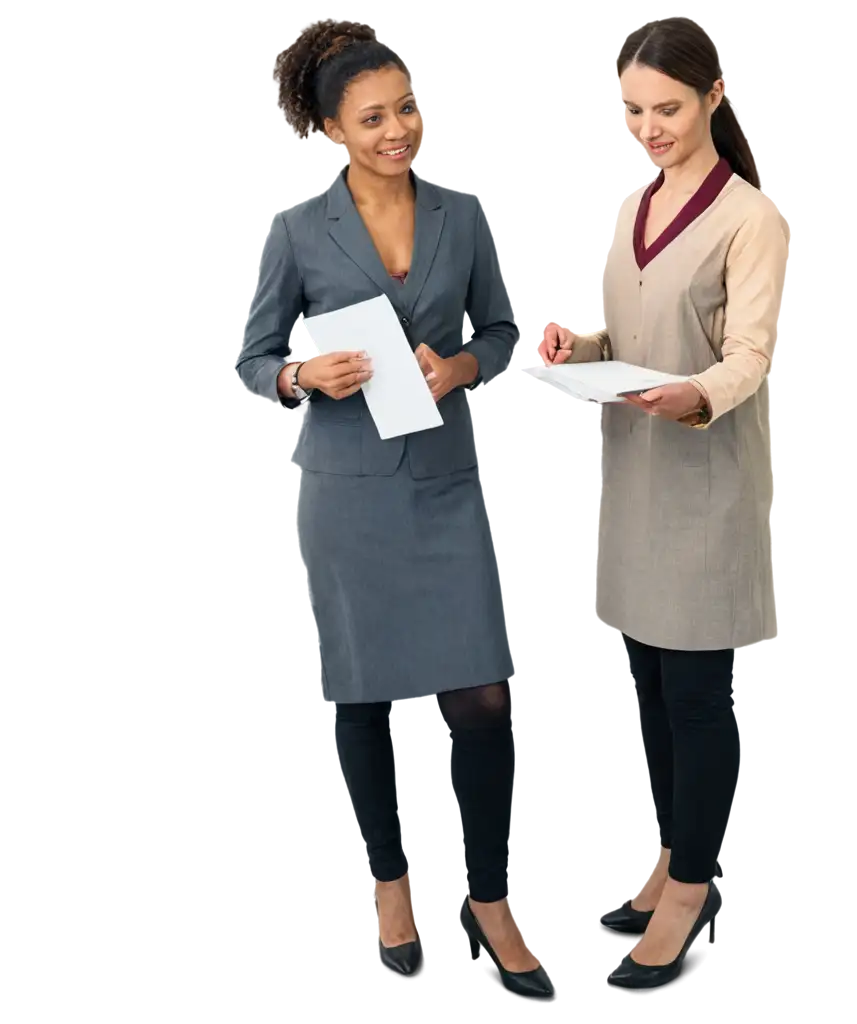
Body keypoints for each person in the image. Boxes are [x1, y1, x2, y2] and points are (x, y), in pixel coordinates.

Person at [234, 20, 552, 1004]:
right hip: (347, 497)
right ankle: (388, 885)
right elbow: (250, 363)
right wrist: (299, 371)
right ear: (332, 130)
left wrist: (458, 362)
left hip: (442, 484)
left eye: (406, 107)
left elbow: (499, 330)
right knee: (360, 694)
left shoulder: (464, 218)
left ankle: (492, 899)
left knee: (481, 699)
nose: (397, 130)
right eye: (372, 118)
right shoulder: (296, 231)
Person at [537, 19, 789, 992]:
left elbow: (750, 355)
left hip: (704, 478)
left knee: (695, 694)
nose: (647, 127)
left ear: (713, 98)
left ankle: (689, 887)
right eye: (631, 110)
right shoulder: (634, 204)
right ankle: (667, 853)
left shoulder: (750, 217)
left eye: (666, 109)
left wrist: (696, 393)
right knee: (644, 685)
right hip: (634, 480)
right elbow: (645, 327)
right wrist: (580, 344)